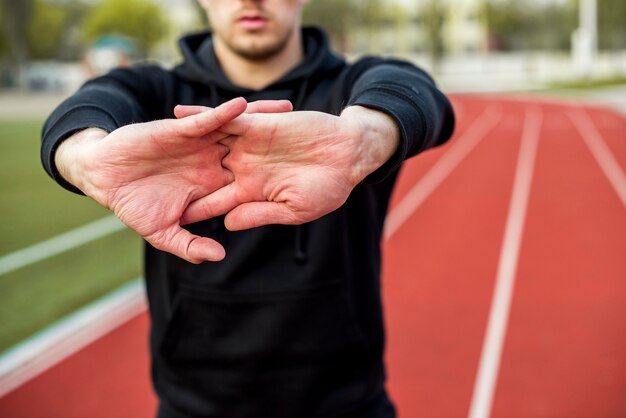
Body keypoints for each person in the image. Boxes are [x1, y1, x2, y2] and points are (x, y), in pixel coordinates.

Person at [41, 0, 455, 416]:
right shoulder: (156, 93)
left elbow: (414, 92)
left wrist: (364, 139)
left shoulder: (353, 86)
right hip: (192, 408)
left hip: (348, 404)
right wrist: (86, 160)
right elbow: (87, 107)